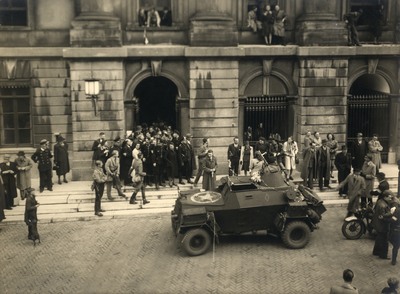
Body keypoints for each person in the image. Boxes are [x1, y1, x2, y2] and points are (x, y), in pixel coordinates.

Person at [372, 190, 393, 259]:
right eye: (389, 198)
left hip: (378, 225)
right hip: (382, 226)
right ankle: (383, 255)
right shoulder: (383, 205)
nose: (390, 199)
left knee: (379, 239)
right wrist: (391, 213)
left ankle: (376, 252)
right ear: (385, 197)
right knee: (384, 241)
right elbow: (382, 216)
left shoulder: (380, 202)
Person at [389, 197, 400, 266]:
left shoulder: (397, 210)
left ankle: (393, 261)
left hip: (397, 231)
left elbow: (393, 219)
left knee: (395, 246)